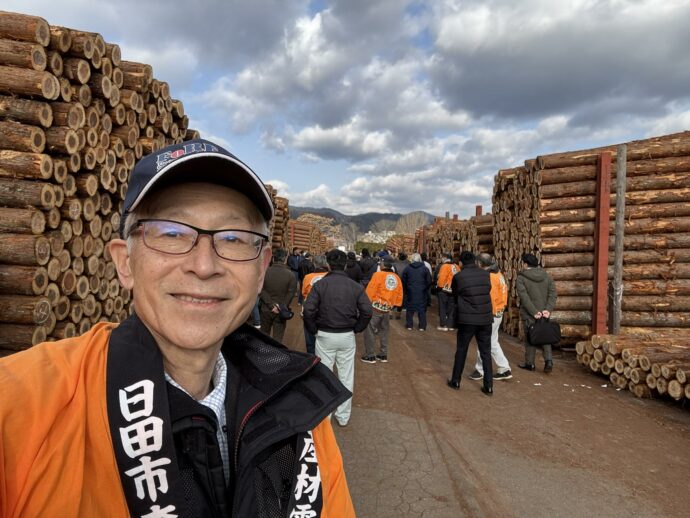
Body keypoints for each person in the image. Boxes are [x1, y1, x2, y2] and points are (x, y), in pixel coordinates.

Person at [0, 139, 355, 517]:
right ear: (124, 263)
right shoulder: (23, 407)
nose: (204, 266)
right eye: (171, 233)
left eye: (233, 238)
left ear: (260, 269)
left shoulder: (300, 418)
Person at [303, 249, 373, 427]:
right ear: (346, 265)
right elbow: (367, 311)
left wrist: (313, 330)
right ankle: (343, 416)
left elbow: (308, 310)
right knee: (346, 376)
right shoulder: (355, 286)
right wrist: (357, 328)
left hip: (324, 335)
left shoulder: (320, 285)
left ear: (328, 264)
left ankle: (324, 417)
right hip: (346, 335)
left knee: (324, 376)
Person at [447, 251, 494, 396]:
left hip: (467, 319)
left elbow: (454, 294)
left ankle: (456, 380)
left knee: (462, 349)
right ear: (475, 261)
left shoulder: (458, 277)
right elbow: (488, 289)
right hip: (485, 318)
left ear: (461, 263)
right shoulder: (485, 275)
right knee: (486, 352)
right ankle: (488, 386)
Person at [468, 253, 512, 381]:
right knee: (492, 342)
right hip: (498, 311)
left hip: (490, 313)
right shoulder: (498, 273)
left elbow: (490, 298)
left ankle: (480, 369)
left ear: (480, 264)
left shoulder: (489, 277)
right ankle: (504, 368)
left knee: (483, 341)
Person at [516, 252, 557, 373]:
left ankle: (530, 363)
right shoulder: (547, 276)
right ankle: (548, 361)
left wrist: (534, 312)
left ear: (525, 264)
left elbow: (524, 298)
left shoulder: (521, 278)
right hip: (544, 312)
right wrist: (548, 310)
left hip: (530, 313)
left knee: (530, 336)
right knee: (545, 336)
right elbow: (553, 294)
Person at [361, 256, 403, 363]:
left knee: (370, 330)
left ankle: (370, 355)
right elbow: (399, 294)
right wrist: (394, 305)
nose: (379, 264)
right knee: (384, 331)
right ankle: (383, 355)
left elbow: (370, 291)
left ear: (383, 264)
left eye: (380, 263)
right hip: (387, 309)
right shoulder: (396, 278)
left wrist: (365, 304)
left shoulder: (378, 275)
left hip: (375, 307)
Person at [259, 248, 297, 343]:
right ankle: (276, 352)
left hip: (265, 309)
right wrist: (281, 307)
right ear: (285, 259)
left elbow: (260, 290)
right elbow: (290, 293)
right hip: (281, 311)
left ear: (273, 258)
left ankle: (263, 351)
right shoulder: (291, 275)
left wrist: (271, 305)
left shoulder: (265, 272)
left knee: (264, 336)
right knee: (278, 338)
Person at [301, 254, 329, 354]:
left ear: (314, 264)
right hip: (326, 309)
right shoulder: (330, 276)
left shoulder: (308, 277)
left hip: (310, 308)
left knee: (310, 337)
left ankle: (311, 358)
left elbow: (304, 293)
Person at [401, 253, 432, 331]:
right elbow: (429, 281)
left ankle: (409, 325)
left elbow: (403, 279)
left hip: (410, 291)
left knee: (410, 308)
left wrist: (407, 288)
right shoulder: (425, 269)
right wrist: (425, 288)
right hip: (422, 291)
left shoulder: (407, 268)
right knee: (421, 309)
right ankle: (422, 326)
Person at [435, 252, 459, 331]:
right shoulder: (456, 266)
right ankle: (450, 325)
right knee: (451, 308)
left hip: (444, 290)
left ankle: (443, 325)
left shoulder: (444, 266)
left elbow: (442, 278)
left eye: (442, 257)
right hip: (454, 290)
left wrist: (439, 287)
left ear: (444, 258)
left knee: (443, 307)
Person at [391, 252, 410, 320]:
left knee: (393, 297)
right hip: (404, 283)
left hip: (395, 282)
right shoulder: (408, 264)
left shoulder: (394, 264)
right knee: (401, 298)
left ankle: (390, 313)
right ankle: (398, 314)